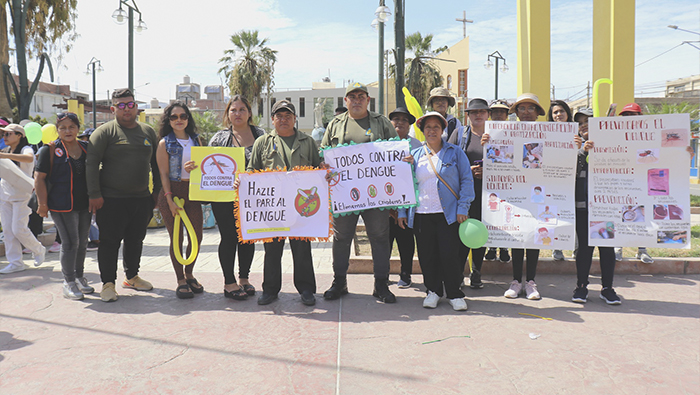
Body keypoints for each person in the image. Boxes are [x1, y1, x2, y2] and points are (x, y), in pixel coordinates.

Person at [321, 82, 398, 303]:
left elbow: (397, 150)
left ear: (368, 99)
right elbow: (323, 153)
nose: (356, 100)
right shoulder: (335, 124)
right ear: (345, 101)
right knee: (342, 238)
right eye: (352, 96)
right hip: (344, 193)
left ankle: (381, 284)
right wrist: (324, 166)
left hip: (376, 194)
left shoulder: (381, 123)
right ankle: (339, 282)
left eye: (361, 96)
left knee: (380, 237)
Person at [86, 88, 160, 302]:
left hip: (141, 199)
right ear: (113, 109)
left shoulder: (147, 132)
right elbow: (91, 165)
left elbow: (155, 164)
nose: (126, 109)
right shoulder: (104, 132)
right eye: (121, 105)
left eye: (130, 104)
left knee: (136, 240)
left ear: (136, 106)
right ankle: (108, 283)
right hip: (110, 200)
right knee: (109, 242)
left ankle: (132, 277)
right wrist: (94, 194)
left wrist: (155, 193)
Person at [398, 111, 474, 311]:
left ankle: (454, 293)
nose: (432, 131)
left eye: (436, 127)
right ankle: (433, 291)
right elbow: (405, 185)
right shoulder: (414, 155)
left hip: (448, 215)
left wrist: (463, 207)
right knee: (426, 255)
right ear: (422, 131)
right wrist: (402, 212)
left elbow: (467, 180)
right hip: (422, 214)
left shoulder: (455, 153)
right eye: (428, 127)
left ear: (443, 130)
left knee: (449, 255)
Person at [247, 100, 319, 306]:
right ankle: (270, 290)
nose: (283, 119)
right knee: (272, 250)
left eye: (288, 116)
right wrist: (244, 180)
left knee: (302, 249)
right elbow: (252, 169)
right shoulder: (263, 142)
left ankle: (306, 289)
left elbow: (317, 169)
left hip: (300, 207)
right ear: (272, 119)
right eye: (279, 116)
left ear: (295, 119)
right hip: (273, 207)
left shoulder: (307, 141)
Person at [208, 95, 265, 300]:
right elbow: (207, 166)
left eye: (242, 109)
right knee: (229, 237)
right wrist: (193, 167)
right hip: (223, 198)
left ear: (249, 113)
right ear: (228, 114)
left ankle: (244, 279)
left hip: (252, 197)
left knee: (247, 237)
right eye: (233, 110)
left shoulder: (261, 135)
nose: (238, 113)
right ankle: (229, 283)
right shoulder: (219, 138)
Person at [34, 112, 93, 299]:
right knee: (70, 242)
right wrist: (42, 204)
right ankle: (68, 282)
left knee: (83, 242)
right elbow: (39, 178)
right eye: (63, 128)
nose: (68, 131)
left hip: (84, 203)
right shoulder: (49, 150)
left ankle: (79, 277)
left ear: (78, 128)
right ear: (57, 130)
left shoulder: (85, 147)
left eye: (72, 127)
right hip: (61, 204)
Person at [494, 93, 546, 300]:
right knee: (516, 235)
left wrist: (573, 144)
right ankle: (516, 281)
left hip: (539, 191)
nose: (526, 112)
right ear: (515, 112)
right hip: (514, 191)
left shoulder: (550, 133)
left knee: (534, 236)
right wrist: (488, 141)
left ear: (537, 113)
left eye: (531, 108)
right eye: (521, 108)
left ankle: (531, 282)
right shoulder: (504, 132)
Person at [155, 102, 204, 299]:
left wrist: (196, 167)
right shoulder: (164, 143)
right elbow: (164, 174)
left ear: (188, 119)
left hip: (191, 192)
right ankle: (180, 279)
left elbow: (205, 166)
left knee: (197, 236)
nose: (179, 120)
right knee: (177, 238)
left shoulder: (197, 140)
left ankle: (189, 273)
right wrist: (169, 200)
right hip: (172, 192)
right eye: (174, 117)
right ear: (168, 120)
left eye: (183, 116)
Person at [572, 122, 620, 304]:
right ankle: (581, 287)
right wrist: (583, 152)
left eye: (589, 122)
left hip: (605, 207)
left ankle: (607, 288)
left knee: (606, 248)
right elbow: (569, 172)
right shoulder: (575, 148)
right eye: (581, 123)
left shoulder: (613, 147)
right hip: (583, 207)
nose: (585, 126)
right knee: (584, 248)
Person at [448, 98, 490, 289]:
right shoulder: (459, 134)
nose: (478, 115)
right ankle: (457, 274)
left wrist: (488, 171)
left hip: (488, 195)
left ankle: (476, 272)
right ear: (468, 116)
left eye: (481, 111)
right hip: (464, 194)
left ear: (488, 114)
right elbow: (447, 159)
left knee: (481, 235)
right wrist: (467, 170)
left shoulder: (496, 135)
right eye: (474, 112)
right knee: (462, 234)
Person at [0, 124, 46, 274]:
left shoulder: (26, 149)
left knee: (18, 229)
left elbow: (28, 158)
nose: (5, 137)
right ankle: (15, 262)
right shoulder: (5, 150)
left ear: (19, 135)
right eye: (4, 134)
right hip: (5, 195)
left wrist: (5, 156)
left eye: (8, 134)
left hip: (22, 196)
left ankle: (38, 249)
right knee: (7, 230)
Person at [615, 103, 653, 264]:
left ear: (640, 117)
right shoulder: (615, 135)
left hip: (643, 180)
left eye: (633, 114)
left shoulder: (650, 135)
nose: (629, 118)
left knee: (643, 214)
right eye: (626, 115)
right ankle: (618, 248)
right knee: (620, 213)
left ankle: (642, 250)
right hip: (621, 181)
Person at [388, 107, 420, 288]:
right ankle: (382, 274)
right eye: (396, 119)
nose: (400, 122)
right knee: (383, 242)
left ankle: (406, 274)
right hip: (383, 205)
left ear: (409, 126)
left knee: (406, 241)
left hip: (407, 204)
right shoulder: (380, 144)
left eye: (404, 120)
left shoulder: (417, 146)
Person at [483, 99, 511, 263]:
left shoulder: (514, 130)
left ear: (507, 115)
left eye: (502, 111)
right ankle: (492, 247)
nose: (498, 114)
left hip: (510, 179)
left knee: (506, 214)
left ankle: (504, 248)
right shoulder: (485, 132)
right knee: (492, 213)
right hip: (491, 180)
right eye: (495, 112)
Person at [547, 100, 573, 261]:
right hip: (551, 180)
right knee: (553, 213)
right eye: (555, 112)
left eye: (561, 111)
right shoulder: (546, 132)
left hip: (571, 180)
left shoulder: (576, 132)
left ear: (567, 113)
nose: (558, 115)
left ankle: (574, 247)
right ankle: (557, 248)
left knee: (569, 214)